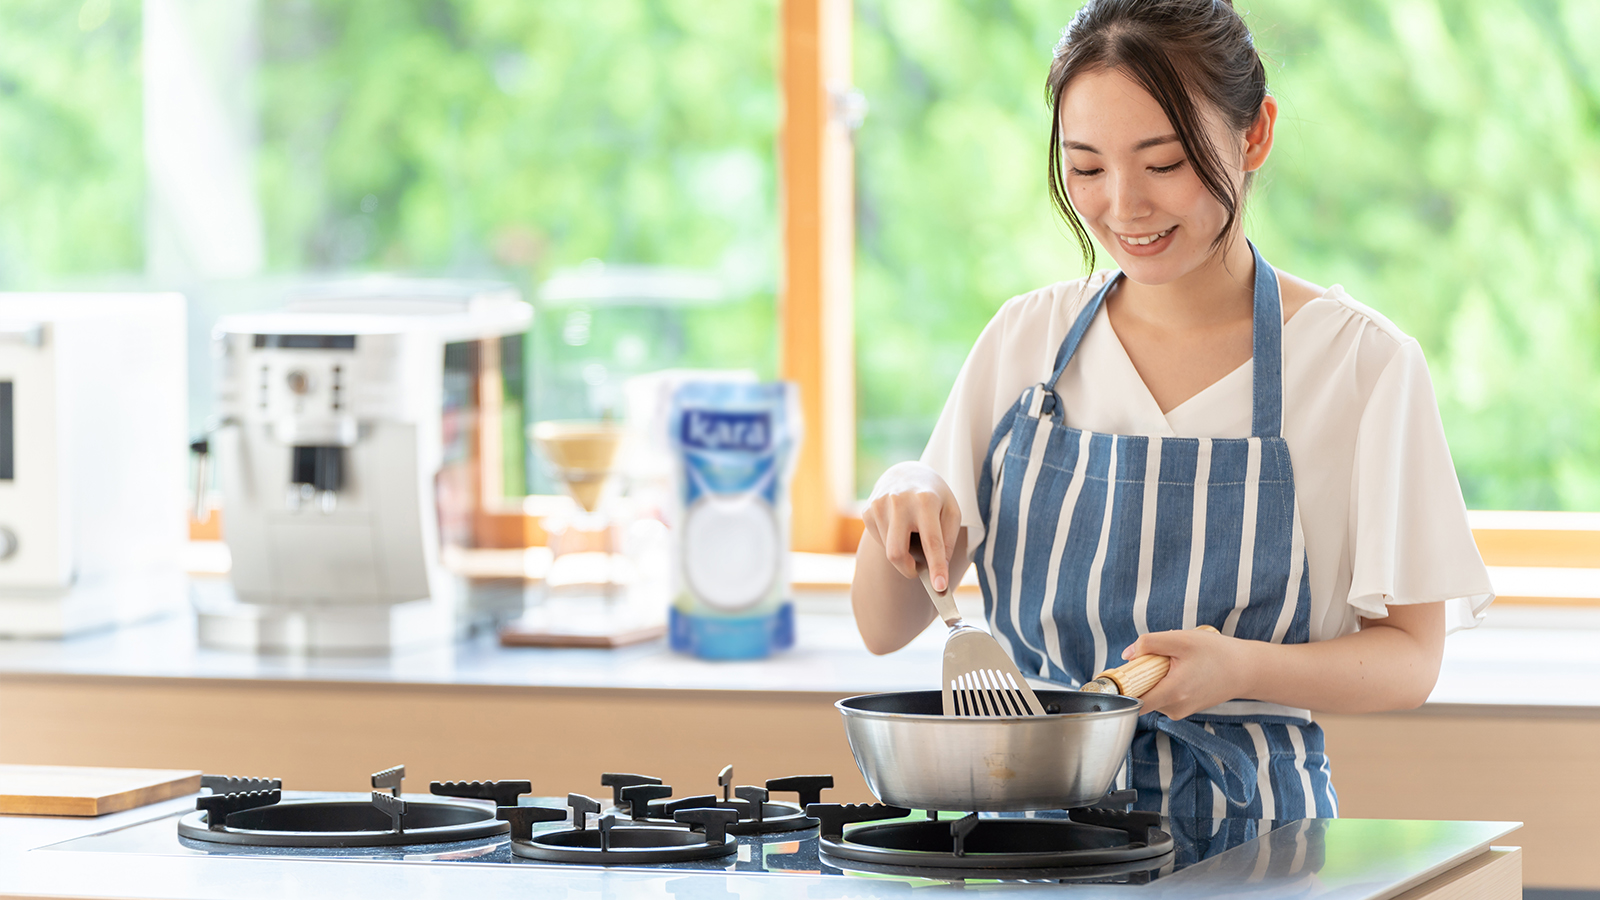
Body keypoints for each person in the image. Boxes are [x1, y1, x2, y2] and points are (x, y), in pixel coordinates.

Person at [849, 0, 1494, 821]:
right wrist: (905, 486)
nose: (1125, 207)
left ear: (1253, 134)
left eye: (1164, 163)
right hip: (1035, 837)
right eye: (1086, 168)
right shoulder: (1027, 341)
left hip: (1260, 839)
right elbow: (883, 623)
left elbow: (1411, 660)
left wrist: (1242, 668)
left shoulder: (1359, 364)